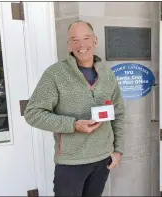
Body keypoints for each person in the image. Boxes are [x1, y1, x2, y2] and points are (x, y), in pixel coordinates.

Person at [24, 20, 125, 197]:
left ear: (95, 40)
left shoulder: (108, 75)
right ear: (69, 44)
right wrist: (73, 125)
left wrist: (117, 150)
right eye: (75, 40)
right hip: (71, 162)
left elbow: (118, 114)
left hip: (103, 159)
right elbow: (33, 113)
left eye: (86, 38)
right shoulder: (55, 74)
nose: (81, 45)